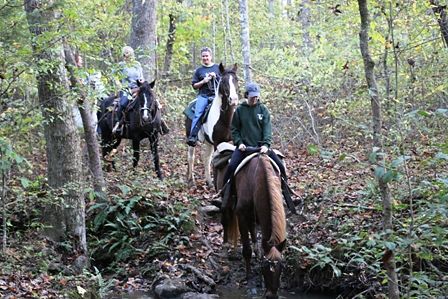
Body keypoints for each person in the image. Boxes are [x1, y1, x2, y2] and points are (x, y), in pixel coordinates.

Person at [219, 82, 296, 213]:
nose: (254, 98)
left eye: (256, 96)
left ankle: (287, 194)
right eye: (252, 96)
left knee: (280, 166)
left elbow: (267, 129)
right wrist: (239, 143)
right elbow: (234, 129)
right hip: (244, 148)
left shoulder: (263, 110)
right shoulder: (239, 110)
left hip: (261, 148)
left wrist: (266, 145)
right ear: (246, 95)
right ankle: (224, 195)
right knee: (231, 167)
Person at [187, 47, 221, 146]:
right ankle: (193, 136)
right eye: (203, 56)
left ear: (211, 56)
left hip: (216, 96)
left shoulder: (217, 68)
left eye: (207, 56)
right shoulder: (199, 70)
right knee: (198, 113)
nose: (205, 58)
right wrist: (203, 81)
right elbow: (194, 86)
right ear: (201, 57)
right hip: (204, 96)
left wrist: (216, 77)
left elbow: (224, 82)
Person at [112, 46, 144, 134]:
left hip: (137, 88)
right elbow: (113, 75)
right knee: (123, 103)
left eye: (129, 54)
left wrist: (143, 83)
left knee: (150, 99)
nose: (127, 56)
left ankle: (158, 123)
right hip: (126, 89)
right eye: (125, 54)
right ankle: (118, 123)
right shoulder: (121, 65)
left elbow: (141, 77)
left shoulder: (137, 64)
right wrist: (118, 83)